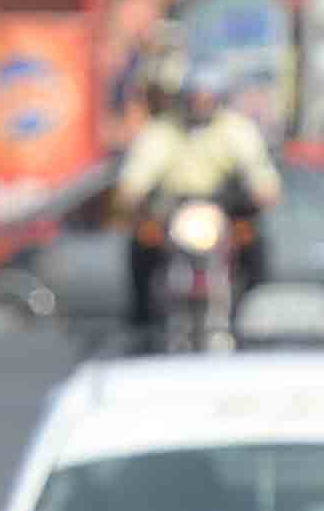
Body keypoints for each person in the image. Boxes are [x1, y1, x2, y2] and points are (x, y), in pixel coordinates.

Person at [106, 69, 276, 337]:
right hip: (173, 213)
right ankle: (142, 322)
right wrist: (128, 195)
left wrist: (263, 191)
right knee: (142, 243)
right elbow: (138, 172)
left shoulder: (236, 129)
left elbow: (258, 171)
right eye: (195, 99)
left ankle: (253, 318)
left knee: (254, 244)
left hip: (224, 211)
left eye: (207, 99)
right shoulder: (163, 130)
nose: (201, 105)